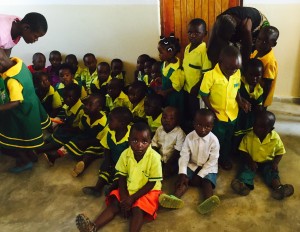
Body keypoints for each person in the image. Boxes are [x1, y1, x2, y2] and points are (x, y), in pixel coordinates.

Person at [76, 122, 162, 232]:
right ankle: (92, 227)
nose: (139, 145)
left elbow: (151, 183)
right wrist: (124, 198)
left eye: (144, 141)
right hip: (129, 186)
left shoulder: (155, 158)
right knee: (115, 204)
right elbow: (121, 178)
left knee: (138, 209)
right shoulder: (125, 154)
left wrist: (132, 199)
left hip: (148, 190)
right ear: (129, 140)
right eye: (135, 140)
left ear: (150, 142)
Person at [159, 109, 220, 214]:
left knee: (207, 182)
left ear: (212, 127)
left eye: (207, 126)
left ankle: (208, 200)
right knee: (182, 180)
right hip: (192, 163)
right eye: (199, 125)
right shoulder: (189, 137)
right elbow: (184, 156)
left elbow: (213, 161)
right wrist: (182, 173)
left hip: (208, 167)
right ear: (194, 124)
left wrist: (200, 175)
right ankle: (174, 197)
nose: (203, 129)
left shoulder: (214, 141)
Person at [199, 45, 250, 170]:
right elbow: (203, 93)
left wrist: (241, 101)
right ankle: (213, 160)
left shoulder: (237, 73)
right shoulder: (210, 75)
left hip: (232, 114)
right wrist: (210, 109)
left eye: (236, 68)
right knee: (217, 140)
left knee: (228, 138)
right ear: (220, 62)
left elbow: (236, 90)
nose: (233, 71)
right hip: (217, 115)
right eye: (229, 68)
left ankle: (224, 158)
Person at [0, 50, 51, 172]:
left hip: (20, 113)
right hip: (30, 106)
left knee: (15, 139)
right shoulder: (19, 63)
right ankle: (31, 155)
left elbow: (16, 101)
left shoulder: (12, 80)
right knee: (26, 136)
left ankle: (25, 161)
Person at [231, 111, 294, 200]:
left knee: (272, 172)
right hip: (252, 160)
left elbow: (280, 152)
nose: (256, 128)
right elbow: (243, 150)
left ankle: (279, 188)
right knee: (246, 169)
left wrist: (275, 163)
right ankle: (243, 185)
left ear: (271, 129)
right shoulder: (249, 136)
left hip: (268, 162)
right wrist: (250, 161)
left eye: (261, 127)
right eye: (255, 125)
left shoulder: (275, 138)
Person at [82, 107, 132, 197]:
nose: (108, 122)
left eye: (111, 120)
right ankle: (97, 188)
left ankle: (111, 188)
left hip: (125, 165)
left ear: (122, 124)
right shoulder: (110, 132)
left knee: (120, 176)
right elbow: (107, 147)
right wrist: (106, 160)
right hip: (113, 161)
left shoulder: (131, 137)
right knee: (104, 172)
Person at [54, 94, 107, 177]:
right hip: (86, 137)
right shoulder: (85, 115)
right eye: (85, 103)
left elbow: (99, 141)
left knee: (91, 152)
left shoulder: (103, 124)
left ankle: (82, 164)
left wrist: (85, 142)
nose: (85, 106)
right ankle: (56, 155)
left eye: (90, 105)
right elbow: (80, 129)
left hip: (97, 143)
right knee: (73, 141)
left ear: (99, 108)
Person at [35, 84, 85, 163]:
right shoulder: (67, 105)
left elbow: (81, 129)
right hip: (65, 128)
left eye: (70, 97)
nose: (66, 99)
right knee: (51, 137)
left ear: (78, 97)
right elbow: (62, 115)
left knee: (57, 141)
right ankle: (40, 147)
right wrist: (56, 123)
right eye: (64, 97)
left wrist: (67, 126)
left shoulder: (82, 110)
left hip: (73, 132)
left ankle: (38, 150)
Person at [182, 18, 211, 122]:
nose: (192, 35)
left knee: (197, 115)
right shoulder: (187, 48)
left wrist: (196, 88)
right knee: (188, 114)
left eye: (197, 33)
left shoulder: (204, 51)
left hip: (197, 93)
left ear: (205, 34)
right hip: (186, 89)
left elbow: (206, 73)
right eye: (190, 32)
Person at [233, 58, 264, 153]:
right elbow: (234, 93)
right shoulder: (239, 83)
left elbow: (259, 105)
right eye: (251, 75)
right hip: (238, 116)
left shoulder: (259, 89)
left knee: (247, 136)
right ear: (245, 73)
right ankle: (234, 151)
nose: (254, 79)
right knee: (236, 136)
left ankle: (243, 152)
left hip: (250, 117)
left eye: (258, 76)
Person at [152, 106, 186, 178]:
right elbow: (154, 144)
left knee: (171, 170)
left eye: (171, 118)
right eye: (164, 117)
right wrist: (157, 158)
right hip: (160, 158)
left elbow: (177, 152)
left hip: (173, 160)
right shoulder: (159, 129)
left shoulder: (179, 133)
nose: (167, 120)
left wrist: (168, 165)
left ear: (177, 121)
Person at [250, 26, 279, 108]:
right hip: (253, 94)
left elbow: (267, 86)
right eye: (259, 39)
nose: (260, 43)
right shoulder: (256, 51)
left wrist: (262, 104)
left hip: (261, 99)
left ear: (273, 44)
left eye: (265, 42)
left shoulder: (270, 62)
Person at [157, 34, 184, 116]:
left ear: (170, 52)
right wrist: (161, 79)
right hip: (166, 94)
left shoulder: (176, 70)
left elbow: (177, 86)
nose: (159, 55)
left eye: (161, 53)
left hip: (174, 96)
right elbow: (166, 76)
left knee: (174, 113)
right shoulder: (165, 62)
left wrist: (165, 92)